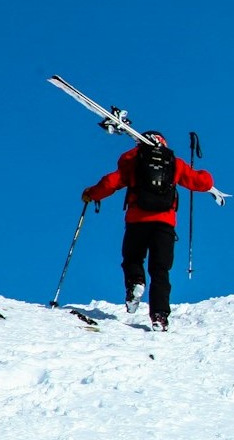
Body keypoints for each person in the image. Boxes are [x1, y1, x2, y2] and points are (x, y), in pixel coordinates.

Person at [82, 132, 214, 330]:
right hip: (165, 224)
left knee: (132, 259)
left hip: (137, 221)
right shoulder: (175, 163)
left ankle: (135, 283)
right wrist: (201, 172)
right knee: (160, 270)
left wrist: (90, 194)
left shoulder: (133, 161)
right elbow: (204, 183)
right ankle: (159, 316)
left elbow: (111, 182)